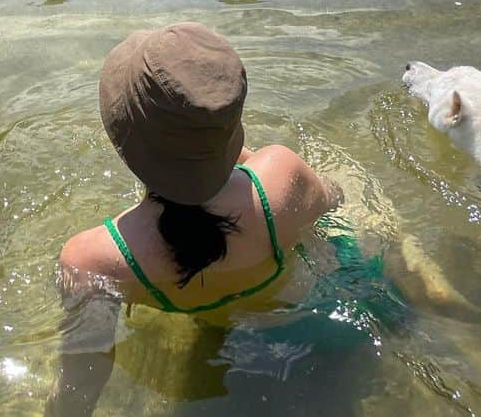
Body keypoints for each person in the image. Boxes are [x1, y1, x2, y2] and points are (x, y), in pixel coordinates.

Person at [46, 22, 344, 415]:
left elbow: (80, 385)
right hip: (318, 331)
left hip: (221, 365)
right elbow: (337, 199)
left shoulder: (93, 259)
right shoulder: (284, 174)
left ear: (123, 137)